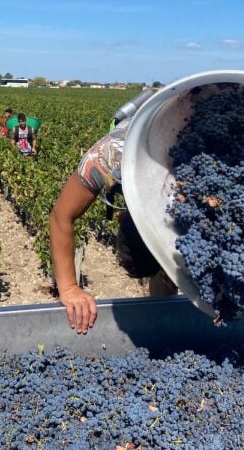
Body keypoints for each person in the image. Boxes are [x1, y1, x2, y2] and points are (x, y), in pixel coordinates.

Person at [49, 117, 176, 335]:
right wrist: (68, 288)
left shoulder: (108, 157)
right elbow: (61, 216)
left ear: (121, 216)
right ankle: (161, 317)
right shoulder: (108, 158)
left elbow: (61, 217)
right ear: (120, 216)